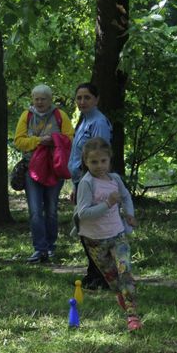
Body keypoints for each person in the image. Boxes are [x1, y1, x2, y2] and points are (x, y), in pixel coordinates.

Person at [73, 138, 141, 331]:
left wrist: (129, 214)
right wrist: (108, 203)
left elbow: (126, 196)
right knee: (113, 281)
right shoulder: (87, 183)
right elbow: (83, 213)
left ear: (110, 159)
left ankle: (132, 316)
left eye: (103, 161)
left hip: (117, 234)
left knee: (125, 272)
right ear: (86, 162)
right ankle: (123, 297)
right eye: (94, 162)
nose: (99, 166)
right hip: (94, 241)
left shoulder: (115, 179)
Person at [14, 84, 76, 263]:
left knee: (51, 210)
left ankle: (50, 247)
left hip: (54, 169)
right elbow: (19, 141)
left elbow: (70, 138)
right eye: (36, 99)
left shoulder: (60, 115)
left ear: (50, 100)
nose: (40, 102)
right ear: (32, 100)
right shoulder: (26, 116)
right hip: (31, 169)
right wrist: (40, 141)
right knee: (35, 211)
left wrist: (54, 140)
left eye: (43, 99)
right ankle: (39, 249)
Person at [68, 83, 113, 289]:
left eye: (87, 97)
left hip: (92, 182)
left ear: (96, 99)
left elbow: (99, 157)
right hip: (81, 181)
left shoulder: (99, 122)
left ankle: (102, 276)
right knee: (85, 228)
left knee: (93, 228)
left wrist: (92, 184)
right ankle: (93, 272)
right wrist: (75, 185)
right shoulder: (83, 121)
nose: (82, 101)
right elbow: (79, 155)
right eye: (79, 98)